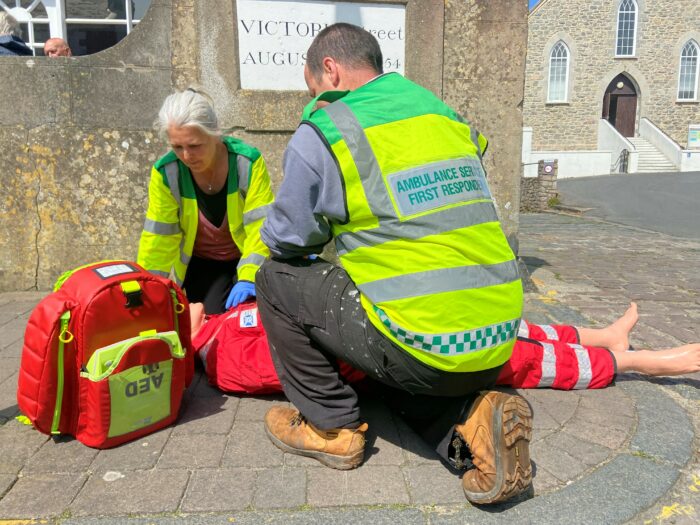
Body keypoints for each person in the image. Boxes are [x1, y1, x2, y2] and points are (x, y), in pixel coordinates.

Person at [256, 23, 531, 505]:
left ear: (329, 69)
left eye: (312, 86)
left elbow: (289, 238)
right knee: (402, 376)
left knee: (274, 278)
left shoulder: (327, 129)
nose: (314, 98)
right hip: (493, 339)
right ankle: (475, 428)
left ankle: (331, 426)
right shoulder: (441, 113)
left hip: (424, 340)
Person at [190, 300, 700, 392]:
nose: (184, 302)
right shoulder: (225, 360)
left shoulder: (221, 324)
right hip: (387, 352)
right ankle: (637, 361)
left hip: (381, 318)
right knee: (517, 360)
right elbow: (307, 368)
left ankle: (605, 337)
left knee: (506, 328)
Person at [137, 88, 274, 314]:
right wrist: (147, 287)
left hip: (246, 256)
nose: (187, 156)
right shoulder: (166, 172)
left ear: (214, 133)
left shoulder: (246, 162)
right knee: (206, 325)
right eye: (177, 147)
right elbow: (159, 239)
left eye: (194, 145)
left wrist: (249, 275)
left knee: (252, 322)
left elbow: (261, 226)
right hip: (201, 264)